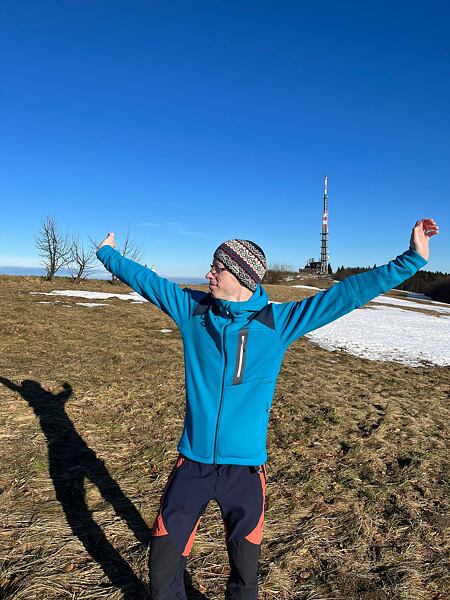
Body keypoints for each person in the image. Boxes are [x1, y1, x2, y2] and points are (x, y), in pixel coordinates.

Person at [96, 218, 438, 600]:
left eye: (218, 268)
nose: (208, 274)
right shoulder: (192, 311)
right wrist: (107, 253)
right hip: (191, 464)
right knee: (161, 567)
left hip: (244, 471)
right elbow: (146, 280)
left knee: (245, 578)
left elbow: (346, 294)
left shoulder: (278, 323)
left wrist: (412, 259)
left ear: (242, 277)